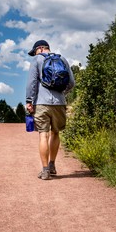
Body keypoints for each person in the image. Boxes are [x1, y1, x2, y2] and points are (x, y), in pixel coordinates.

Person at [25, 40, 75, 180]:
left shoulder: (37, 60)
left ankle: (45, 171)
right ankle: (52, 165)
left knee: (43, 135)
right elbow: (71, 83)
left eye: (35, 51)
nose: (34, 54)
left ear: (40, 49)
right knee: (56, 133)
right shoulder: (62, 59)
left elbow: (32, 83)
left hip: (41, 103)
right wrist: (61, 94)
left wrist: (29, 101)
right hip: (59, 103)